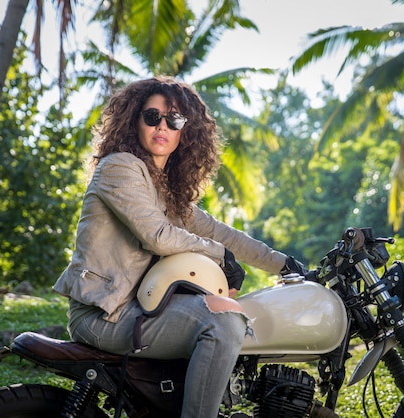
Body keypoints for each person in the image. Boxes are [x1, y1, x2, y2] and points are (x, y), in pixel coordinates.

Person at [53, 76, 305, 418]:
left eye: (174, 120)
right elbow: (157, 235)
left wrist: (287, 265)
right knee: (224, 322)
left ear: (186, 130)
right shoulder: (120, 167)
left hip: (140, 310)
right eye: (152, 116)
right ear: (134, 120)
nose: (163, 126)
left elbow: (223, 234)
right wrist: (220, 256)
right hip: (104, 313)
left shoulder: (166, 191)